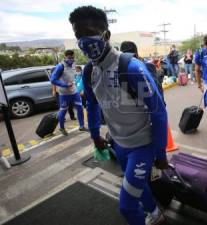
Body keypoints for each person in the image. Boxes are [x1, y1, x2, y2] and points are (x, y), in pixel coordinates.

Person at [69, 6, 168, 225]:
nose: (84, 40)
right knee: (138, 187)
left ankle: (151, 215)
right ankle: (156, 215)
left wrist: (160, 152)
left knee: (126, 206)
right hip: (118, 145)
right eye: (78, 35)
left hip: (143, 146)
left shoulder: (131, 69)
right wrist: (95, 134)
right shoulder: (89, 71)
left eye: (89, 33)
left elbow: (159, 112)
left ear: (106, 34)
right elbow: (93, 106)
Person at [50, 50, 87, 135]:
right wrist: (65, 85)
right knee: (63, 111)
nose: (72, 59)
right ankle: (62, 128)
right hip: (64, 94)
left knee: (80, 108)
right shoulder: (60, 66)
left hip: (74, 92)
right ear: (65, 57)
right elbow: (53, 80)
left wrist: (78, 85)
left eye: (73, 57)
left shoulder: (74, 64)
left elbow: (74, 75)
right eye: (70, 58)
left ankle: (81, 126)